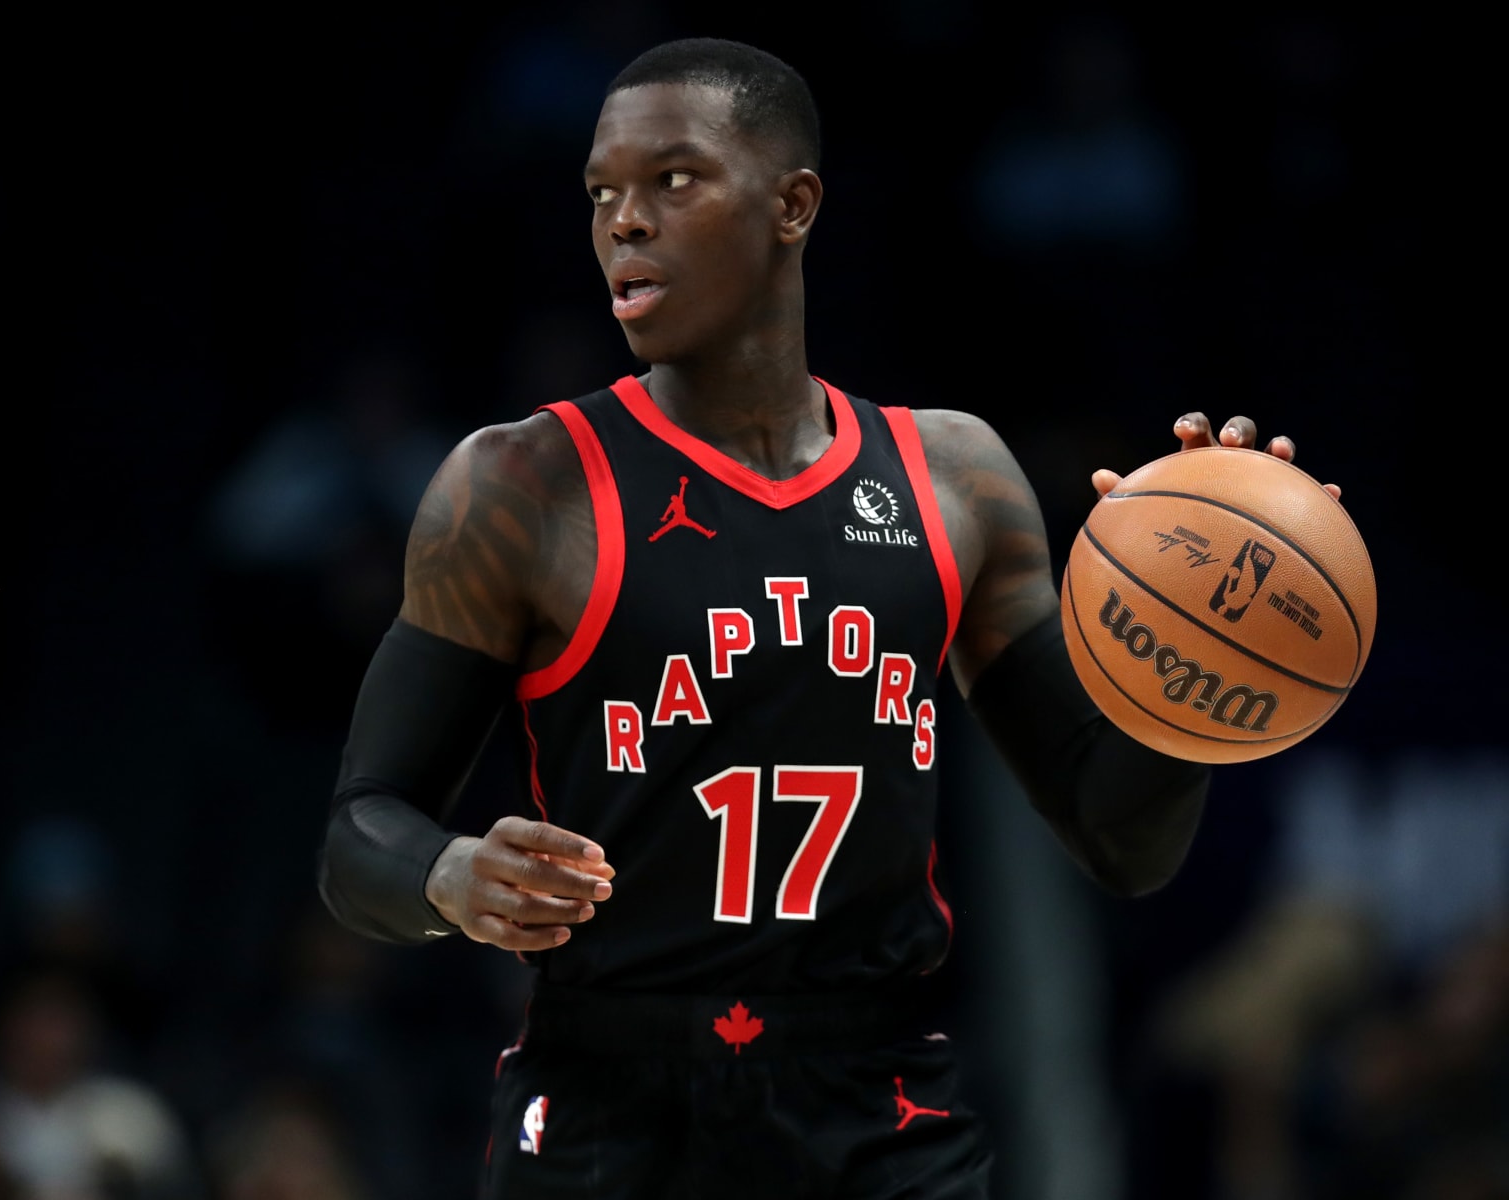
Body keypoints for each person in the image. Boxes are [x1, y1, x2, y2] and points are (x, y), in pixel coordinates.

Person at [317, 37, 1338, 1199]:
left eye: (673, 180)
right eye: (601, 193)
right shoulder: (522, 483)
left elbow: (1124, 840)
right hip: (613, 1098)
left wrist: (1195, 669)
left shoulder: (955, 480)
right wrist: (450, 872)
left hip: (877, 1104)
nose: (625, 222)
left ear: (793, 205)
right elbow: (359, 832)